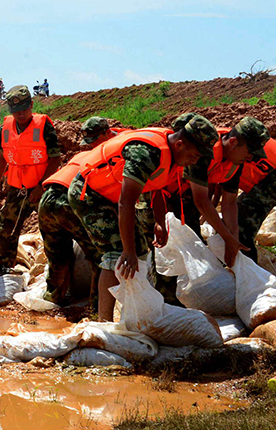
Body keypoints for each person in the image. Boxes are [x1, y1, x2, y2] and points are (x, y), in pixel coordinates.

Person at [68, 114, 217, 321]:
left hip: (111, 194)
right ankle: (103, 323)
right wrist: (127, 250)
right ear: (181, 144)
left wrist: (159, 222)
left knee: (139, 252)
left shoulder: (172, 154)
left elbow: (156, 187)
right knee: (116, 254)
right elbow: (126, 203)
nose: (196, 160)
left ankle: (132, 315)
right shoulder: (146, 153)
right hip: (89, 194)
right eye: (196, 155)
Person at [177, 115, 276, 265]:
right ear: (233, 142)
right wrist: (227, 237)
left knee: (239, 229)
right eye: (250, 153)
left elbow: (229, 202)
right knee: (187, 234)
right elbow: (202, 199)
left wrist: (233, 238)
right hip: (172, 190)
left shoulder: (235, 160)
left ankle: (242, 273)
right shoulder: (204, 150)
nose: (251, 159)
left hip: (275, 180)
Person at [36, 117, 116, 305]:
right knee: (100, 256)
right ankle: (97, 309)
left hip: (46, 201)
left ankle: (52, 302)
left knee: (57, 257)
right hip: (68, 202)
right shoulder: (107, 157)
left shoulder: (82, 156)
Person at [0, 86, 62, 268]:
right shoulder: (5, 127)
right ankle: (4, 269)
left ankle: (59, 274)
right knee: (6, 229)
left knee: (53, 232)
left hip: (42, 189)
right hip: (17, 188)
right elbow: (1, 157)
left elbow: (55, 159)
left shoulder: (44, 126)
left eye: (23, 109)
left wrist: (40, 186)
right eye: (16, 111)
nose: (20, 114)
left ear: (31, 105)